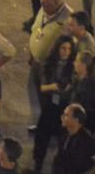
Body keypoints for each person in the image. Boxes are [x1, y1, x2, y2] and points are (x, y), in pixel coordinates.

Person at [35, 35, 78, 170]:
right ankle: (38, 163)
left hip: (64, 107)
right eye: (63, 48)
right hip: (50, 105)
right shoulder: (49, 64)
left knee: (62, 139)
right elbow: (42, 87)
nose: (66, 52)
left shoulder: (72, 67)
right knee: (42, 136)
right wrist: (54, 87)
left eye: (69, 49)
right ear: (57, 49)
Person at [53, 103, 95, 173]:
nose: (62, 117)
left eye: (66, 115)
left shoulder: (87, 140)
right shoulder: (63, 133)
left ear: (76, 120)